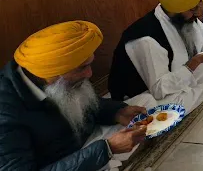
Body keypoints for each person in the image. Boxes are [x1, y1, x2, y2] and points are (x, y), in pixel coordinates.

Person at [1, 21, 148, 169]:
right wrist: (107, 149)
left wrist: (117, 112)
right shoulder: (5, 113)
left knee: (146, 103)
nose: (90, 74)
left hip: (85, 142)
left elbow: (82, 101)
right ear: (51, 73)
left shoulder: (54, 81)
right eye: (82, 68)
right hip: (61, 161)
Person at [109, 0, 203, 112]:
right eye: (193, 9)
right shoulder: (147, 39)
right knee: (172, 107)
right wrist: (196, 61)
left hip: (175, 72)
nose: (199, 14)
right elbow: (159, 89)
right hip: (142, 92)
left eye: (199, 6)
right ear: (176, 10)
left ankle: (199, 87)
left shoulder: (186, 17)